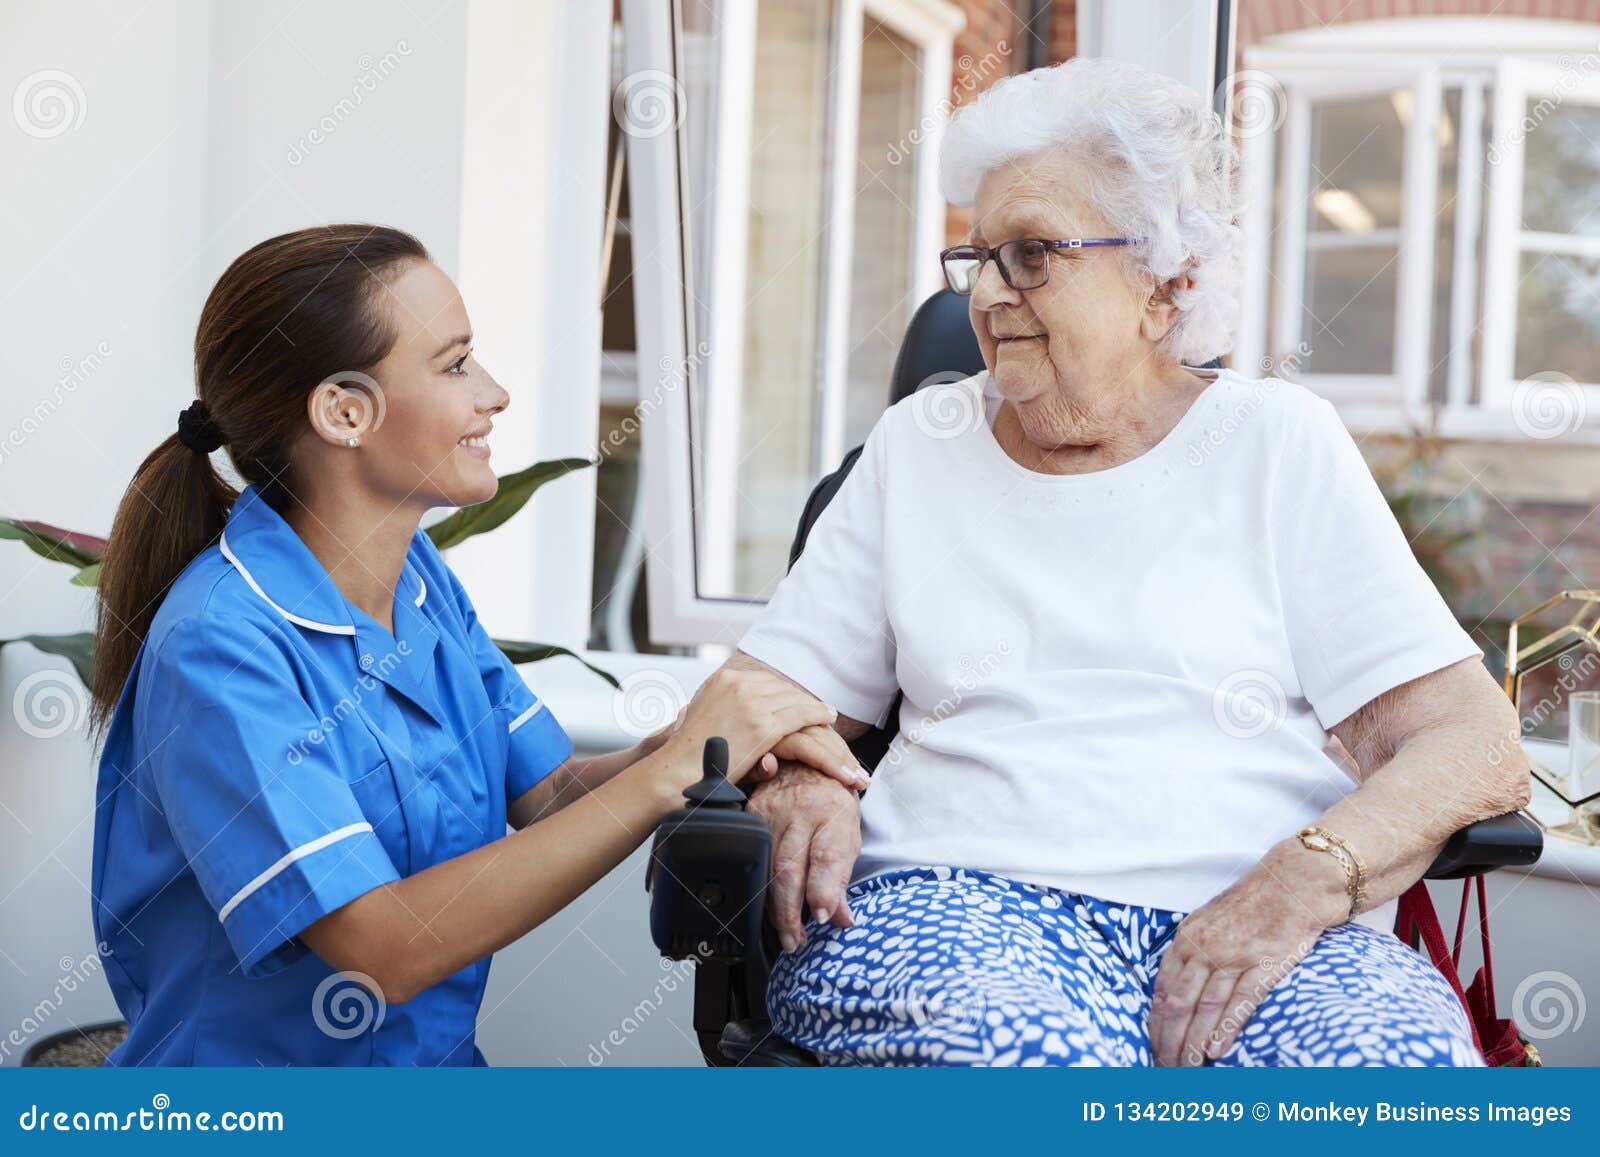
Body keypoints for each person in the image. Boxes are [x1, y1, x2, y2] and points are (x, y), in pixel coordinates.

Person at [724, 59, 1531, 1067]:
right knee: (1034, 1063)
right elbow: (758, 701)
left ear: (1166, 283)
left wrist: (1302, 879)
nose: (987, 295)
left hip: (1263, 914)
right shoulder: (919, 444)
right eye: (975, 256)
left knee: (1393, 1074)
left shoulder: (1275, 443)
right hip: (959, 905)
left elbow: (1471, 740)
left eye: (1029, 255)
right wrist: (797, 780)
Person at [88, 224, 869, 1066]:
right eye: (456, 365)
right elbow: (384, 948)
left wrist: (708, 744)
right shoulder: (222, 647)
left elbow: (548, 793)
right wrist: (668, 772)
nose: (492, 394)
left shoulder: (416, 580)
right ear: (344, 410)